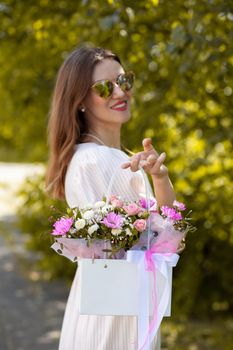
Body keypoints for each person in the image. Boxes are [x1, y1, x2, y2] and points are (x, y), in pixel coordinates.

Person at [45, 46, 176, 350]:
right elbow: (158, 243)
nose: (120, 92)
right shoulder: (100, 161)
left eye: (124, 81)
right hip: (116, 315)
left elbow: (163, 235)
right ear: (79, 101)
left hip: (111, 304)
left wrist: (159, 178)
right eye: (105, 87)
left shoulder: (99, 157)